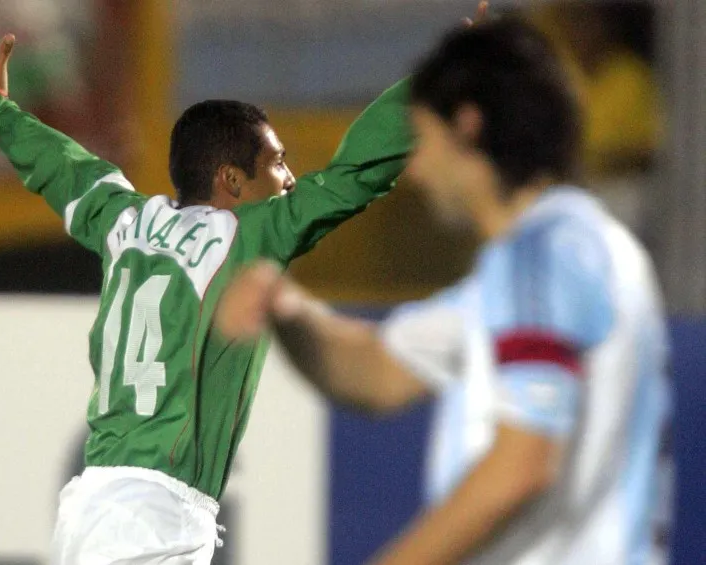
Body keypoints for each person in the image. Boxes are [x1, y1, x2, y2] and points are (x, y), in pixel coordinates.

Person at [0, 5, 490, 560]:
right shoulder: (247, 236)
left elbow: (60, 167)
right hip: (150, 516)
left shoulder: (123, 220)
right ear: (231, 180)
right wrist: (437, 87)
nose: (291, 178)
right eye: (277, 162)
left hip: (96, 506)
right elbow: (355, 174)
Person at [216, 17, 670, 565]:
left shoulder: (542, 252)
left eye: (422, 139)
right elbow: (380, 372)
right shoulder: (563, 257)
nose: (417, 170)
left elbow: (522, 465)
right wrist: (285, 308)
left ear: (467, 125)